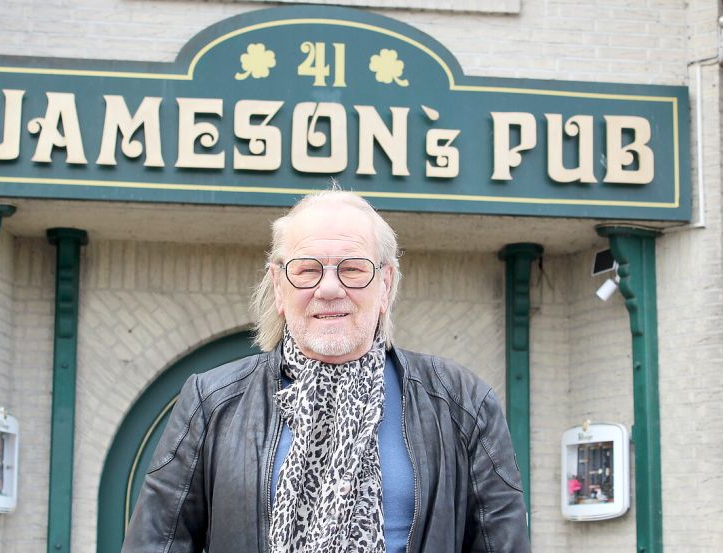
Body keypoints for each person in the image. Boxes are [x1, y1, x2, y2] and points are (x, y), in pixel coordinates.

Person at [122, 190, 531, 553]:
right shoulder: (211, 404)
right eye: (307, 270)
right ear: (280, 287)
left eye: (352, 269)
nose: (330, 288)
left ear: (385, 284)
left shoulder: (463, 405)